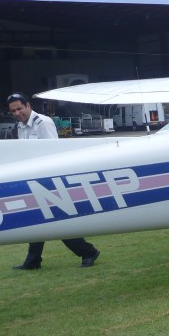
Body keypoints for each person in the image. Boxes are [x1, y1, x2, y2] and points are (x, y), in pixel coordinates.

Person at [6, 93, 101, 270]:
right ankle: (33, 261)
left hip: (47, 180)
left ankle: (88, 251)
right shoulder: (20, 126)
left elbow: (53, 152)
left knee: (56, 220)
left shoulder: (43, 123)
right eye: (13, 111)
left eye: (19, 108)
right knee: (37, 219)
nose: (17, 113)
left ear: (28, 106)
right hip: (33, 178)